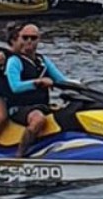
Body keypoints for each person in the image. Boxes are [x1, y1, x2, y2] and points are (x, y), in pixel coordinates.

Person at [4, 23, 71, 157]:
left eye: (33, 38)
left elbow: (61, 80)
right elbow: (15, 86)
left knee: (68, 115)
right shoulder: (14, 61)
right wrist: (38, 82)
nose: (29, 41)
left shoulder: (43, 61)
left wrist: (79, 86)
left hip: (41, 105)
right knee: (38, 119)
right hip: (19, 107)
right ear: (19, 39)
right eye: (25, 37)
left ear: (39, 40)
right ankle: (20, 155)